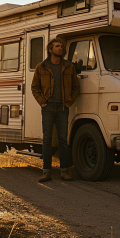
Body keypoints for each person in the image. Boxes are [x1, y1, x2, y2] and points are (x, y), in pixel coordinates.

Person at [31, 38, 80, 183]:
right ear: (50, 50)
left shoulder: (69, 66)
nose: (61, 48)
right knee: (47, 140)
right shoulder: (42, 67)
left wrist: (69, 101)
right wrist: (42, 102)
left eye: (62, 47)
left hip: (63, 108)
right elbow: (34, 87)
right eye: (58, 46)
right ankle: (46, 172)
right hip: (48, 107)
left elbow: (76, 87)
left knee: (63, 140)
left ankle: (64, 171)